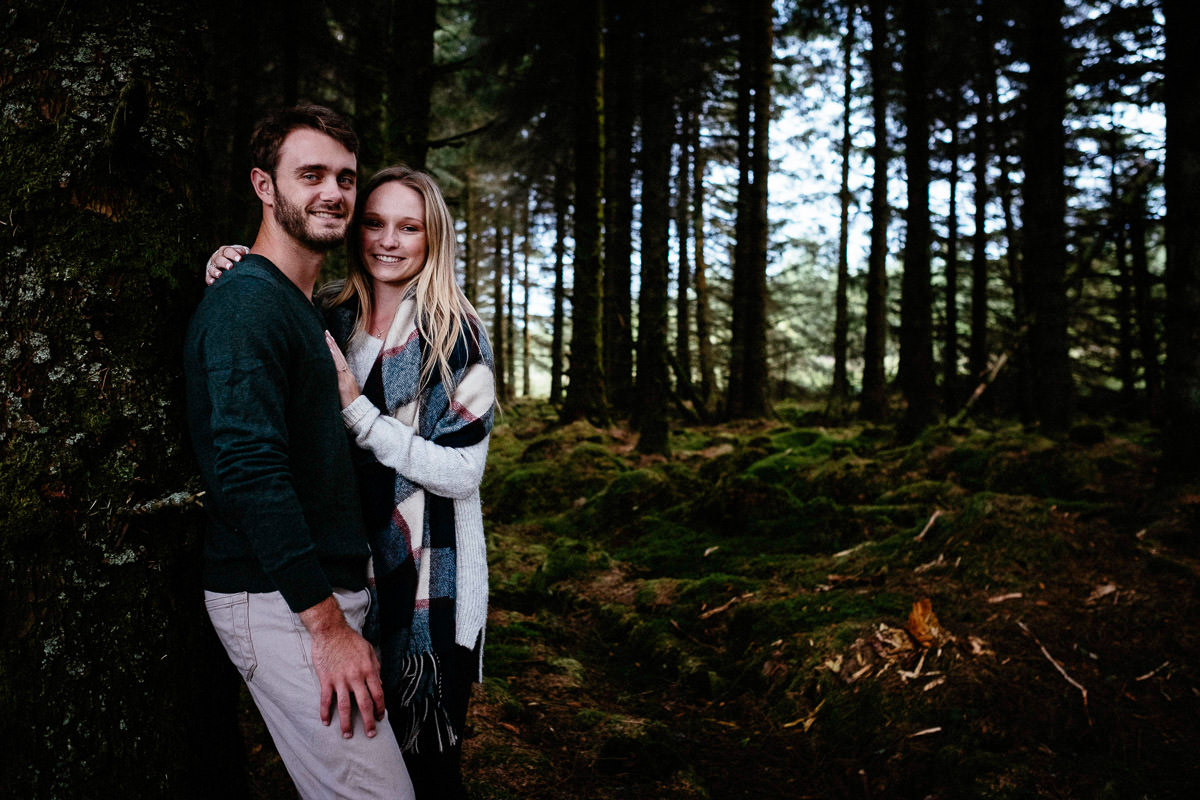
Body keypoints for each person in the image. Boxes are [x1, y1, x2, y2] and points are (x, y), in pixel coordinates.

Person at [206, 164, 496, 800]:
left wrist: (359, 413)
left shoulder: (455, 334)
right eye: (375, 223)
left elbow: (462, 470)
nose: (388, 241)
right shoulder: (327, 315)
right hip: (349, 574)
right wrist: (231, 259)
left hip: (429, 588)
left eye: (409, 227)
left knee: (427, 770)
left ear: (433, 238)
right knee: (366, 746)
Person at [184, 105, 415, 799]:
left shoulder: (295, 302)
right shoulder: (248, 304)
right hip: (281, 603)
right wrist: (324, 626)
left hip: (315, 596)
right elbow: (248, 470)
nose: (334, 193)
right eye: (309, 174)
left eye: (345, 177)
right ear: (264, 185)